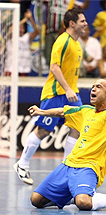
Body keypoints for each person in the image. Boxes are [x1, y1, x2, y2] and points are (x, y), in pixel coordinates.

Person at [29, 79, 106, 211]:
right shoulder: (85, 111)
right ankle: (75, 195)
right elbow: (62, 112)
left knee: (84, 203)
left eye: (98, 87)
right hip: (68, 164)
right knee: (36, 200)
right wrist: (40, 112)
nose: (93, 89)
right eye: (92, 87)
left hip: (89, 166)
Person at [13, 9, 88, 185]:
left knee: (77, 127)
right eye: (82, 21)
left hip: (72, 94)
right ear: (72, 23)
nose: (86, 24)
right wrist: (68, 89)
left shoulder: (78, 44)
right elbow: (54, 67)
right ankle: (22, 164)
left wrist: (72, 91)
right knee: (44, 130)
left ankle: (67, 168)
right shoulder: (62, 41)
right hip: (56, 93)